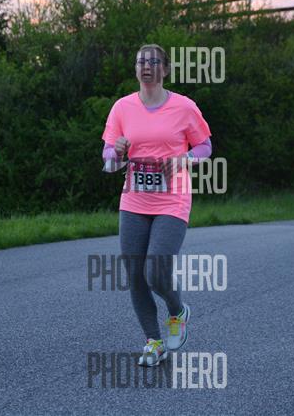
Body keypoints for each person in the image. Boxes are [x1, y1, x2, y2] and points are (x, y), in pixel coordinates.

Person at [102, 44, 212, 367]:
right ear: (136, 69)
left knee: (155, 271)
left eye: (153, 62)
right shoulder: (122, 108)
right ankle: (153, 342)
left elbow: (205, 146)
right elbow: (108, 160)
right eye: (141, 62)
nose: (146, 67)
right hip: (134, 199)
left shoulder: (184, 107)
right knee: (136, 275)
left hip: (173, 199)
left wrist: (183, 159)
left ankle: (177, 311)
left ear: (165, 69)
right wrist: (116, 152)